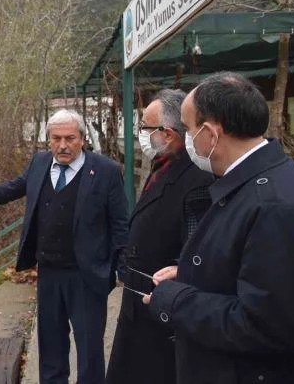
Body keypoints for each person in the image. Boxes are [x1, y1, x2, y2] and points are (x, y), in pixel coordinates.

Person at [143, 72, 294, 383]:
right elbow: (255, 267)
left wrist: (176, 301)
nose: (187, 139)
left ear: (211, 133)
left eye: (189, 129)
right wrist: (196, 273)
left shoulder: (276, 205)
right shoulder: (249, 185)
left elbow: (268, 326)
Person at [0, 109, 129, 384]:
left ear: (82, 139)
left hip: (87, 275)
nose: (62, 145)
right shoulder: (40, 163)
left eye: (69, 138)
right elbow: (13, 188)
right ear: (49, 140)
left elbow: (120, 225)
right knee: (51, 346)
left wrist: (120, 270)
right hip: (48, 273)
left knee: (90, 350)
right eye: (56, 139)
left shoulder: (105, 171)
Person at [106, 89, 213, 384]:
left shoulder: (198, 181)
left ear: (167, 134)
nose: (141, 133)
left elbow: (196, 251)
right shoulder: (163, 167)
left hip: (161, 317)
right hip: (137, 308)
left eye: (145, 127)